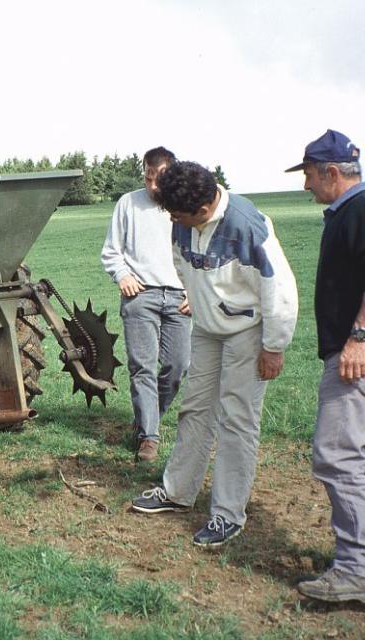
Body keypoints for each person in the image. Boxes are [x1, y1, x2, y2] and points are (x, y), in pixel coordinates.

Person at [131, 161, 298, 547]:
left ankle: (227, 515)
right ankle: (177, 492)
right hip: (207, 329)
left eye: (178, 215)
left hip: (247, 333)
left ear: (204, 210)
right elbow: (180, 259)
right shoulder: (181, 218)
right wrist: (195, 295)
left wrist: (273, 347)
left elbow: (280, 291)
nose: (173, 220)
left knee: (237, 420)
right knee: (195, 409)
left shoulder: (247, 225)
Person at [286, 129, 365, 603]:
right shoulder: (348, 211)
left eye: (310, 175)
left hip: (353, 355)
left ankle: (356, 569)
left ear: (333, 172)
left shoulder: (359, 209)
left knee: (336, 454)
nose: (306, 185)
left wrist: (358, 336)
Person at [101, 147, 190, 463]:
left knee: (177, 366)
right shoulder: (128, 203)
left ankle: (145, 419)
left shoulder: (183, 204)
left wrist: (194, 290)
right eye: (148, 178)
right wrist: (122, 274)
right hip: (140, 296)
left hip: (180, 298)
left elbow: (199, 253)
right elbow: (111, 250)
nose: (153, 186)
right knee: (142, 368)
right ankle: (149, 438)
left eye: (159, 179)